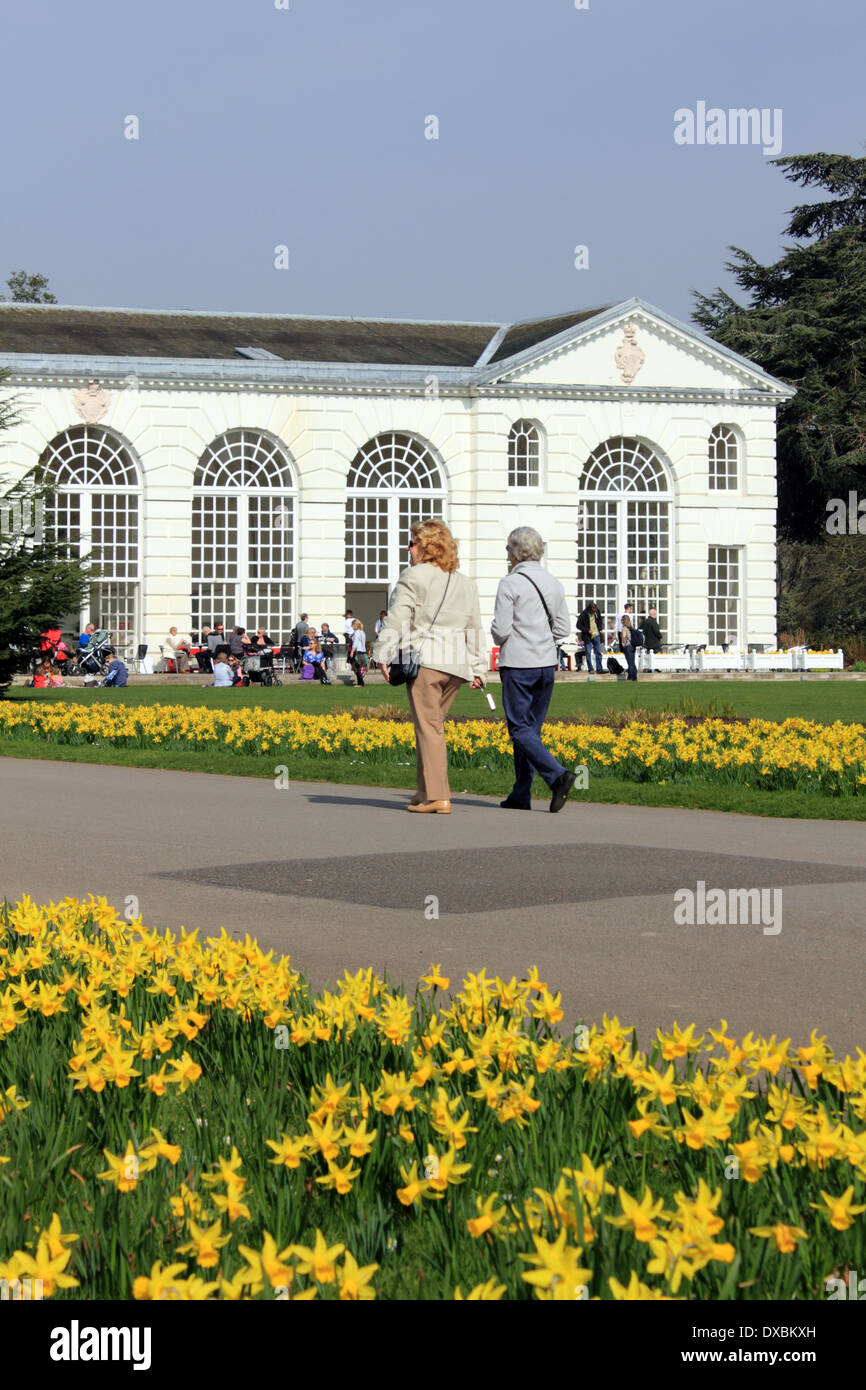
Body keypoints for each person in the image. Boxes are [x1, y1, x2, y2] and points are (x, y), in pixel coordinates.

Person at [373, 518, 485, 814]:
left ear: (425, 547)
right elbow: (474, 628)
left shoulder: (414, 576)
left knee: (429, 728)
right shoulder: (466, 582)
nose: (408, 549)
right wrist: (478, 668)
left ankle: (438, 796)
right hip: (456, 667)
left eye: (411, 544)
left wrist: (382, 654)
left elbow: (397, 618)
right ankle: (425, 790)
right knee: (430, 728)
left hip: (426, 662)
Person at [491, 527, 576, 813]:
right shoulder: (553, 583)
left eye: (507, 550)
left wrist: (502, 634)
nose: (506, 555)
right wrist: (540, 636)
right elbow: (563, 628)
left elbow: (501, 631)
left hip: (518, 664)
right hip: (546, 664)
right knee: (530, 733)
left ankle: (558, 776)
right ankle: (521, 793)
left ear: (516, 553)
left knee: (519, 729)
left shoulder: (510, 583)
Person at [578, 601, 605, 675]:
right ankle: (590, 669)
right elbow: (578, 625)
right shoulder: (583, 614)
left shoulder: (597, 611)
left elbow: (600, 621)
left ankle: (599, 669)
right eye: (593, 611)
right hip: (587, 636)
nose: (594, 612)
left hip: (596, 634)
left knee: (598, 652)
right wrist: (587, 630)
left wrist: (599, 630)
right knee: (588, 653)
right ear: (589, 609)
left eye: (595, 610)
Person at [619, 615, 638, 682]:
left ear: (623, 621)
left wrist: (622, 643)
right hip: (633, 646)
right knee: (632, 662)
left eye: (621, 620)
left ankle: (630, 677)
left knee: (630, 663)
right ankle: (635, 677)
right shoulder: (631, 628)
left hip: (628, 646)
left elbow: (623, 637)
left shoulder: (624, 628)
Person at [349, 619, 367, 686]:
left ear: (355, 625)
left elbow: (355, 643)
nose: (352, 627)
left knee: (356, 667)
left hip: (358, 652)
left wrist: (352, 651)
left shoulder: (356, 632)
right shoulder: (362, 632)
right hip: (363, 652)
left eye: (352, 625)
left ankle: (361, 683)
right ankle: (360, 682)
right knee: (358, 667)